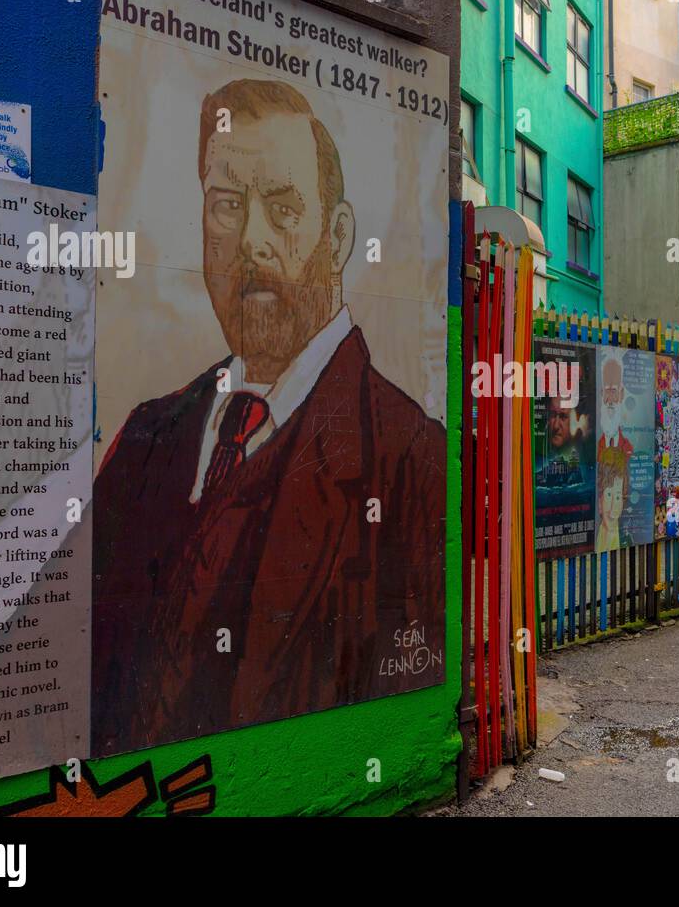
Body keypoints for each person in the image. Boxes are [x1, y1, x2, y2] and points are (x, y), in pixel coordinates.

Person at [91, 78, 446, 756]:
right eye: (226, 205)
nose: (250, 239)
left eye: (283, 209)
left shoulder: (409, 461)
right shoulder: (146, 437)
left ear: (336, 236)